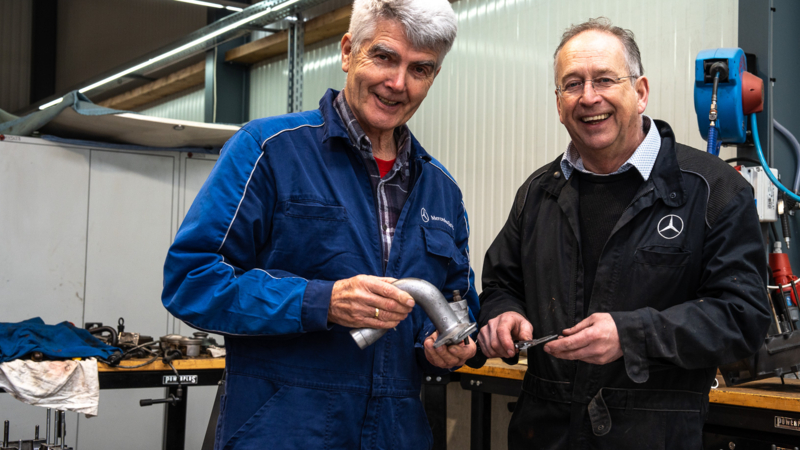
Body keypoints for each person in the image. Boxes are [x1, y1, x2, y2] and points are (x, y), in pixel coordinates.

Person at [161, 1, 478, 448]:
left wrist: (446, 347)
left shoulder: (441, 189)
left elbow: (459, 301)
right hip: (282, 431)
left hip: (396, 431)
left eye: (420, 69)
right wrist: (321, 300)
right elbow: (190, 281)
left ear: (433, 77)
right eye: (384, 57)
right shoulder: (268, 151)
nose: (397, 83)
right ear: (348, 52)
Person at [477, 17, 771, 449]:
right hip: (544, 433)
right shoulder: (538, 194)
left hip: (654, 435)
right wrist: (501, 316)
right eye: (572, 84)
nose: (589, 97)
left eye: (605, 79)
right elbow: (501, 283)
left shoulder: (713, 192)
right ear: (558, 105)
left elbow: (744, 317)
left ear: (640, 92)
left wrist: (631, 335)